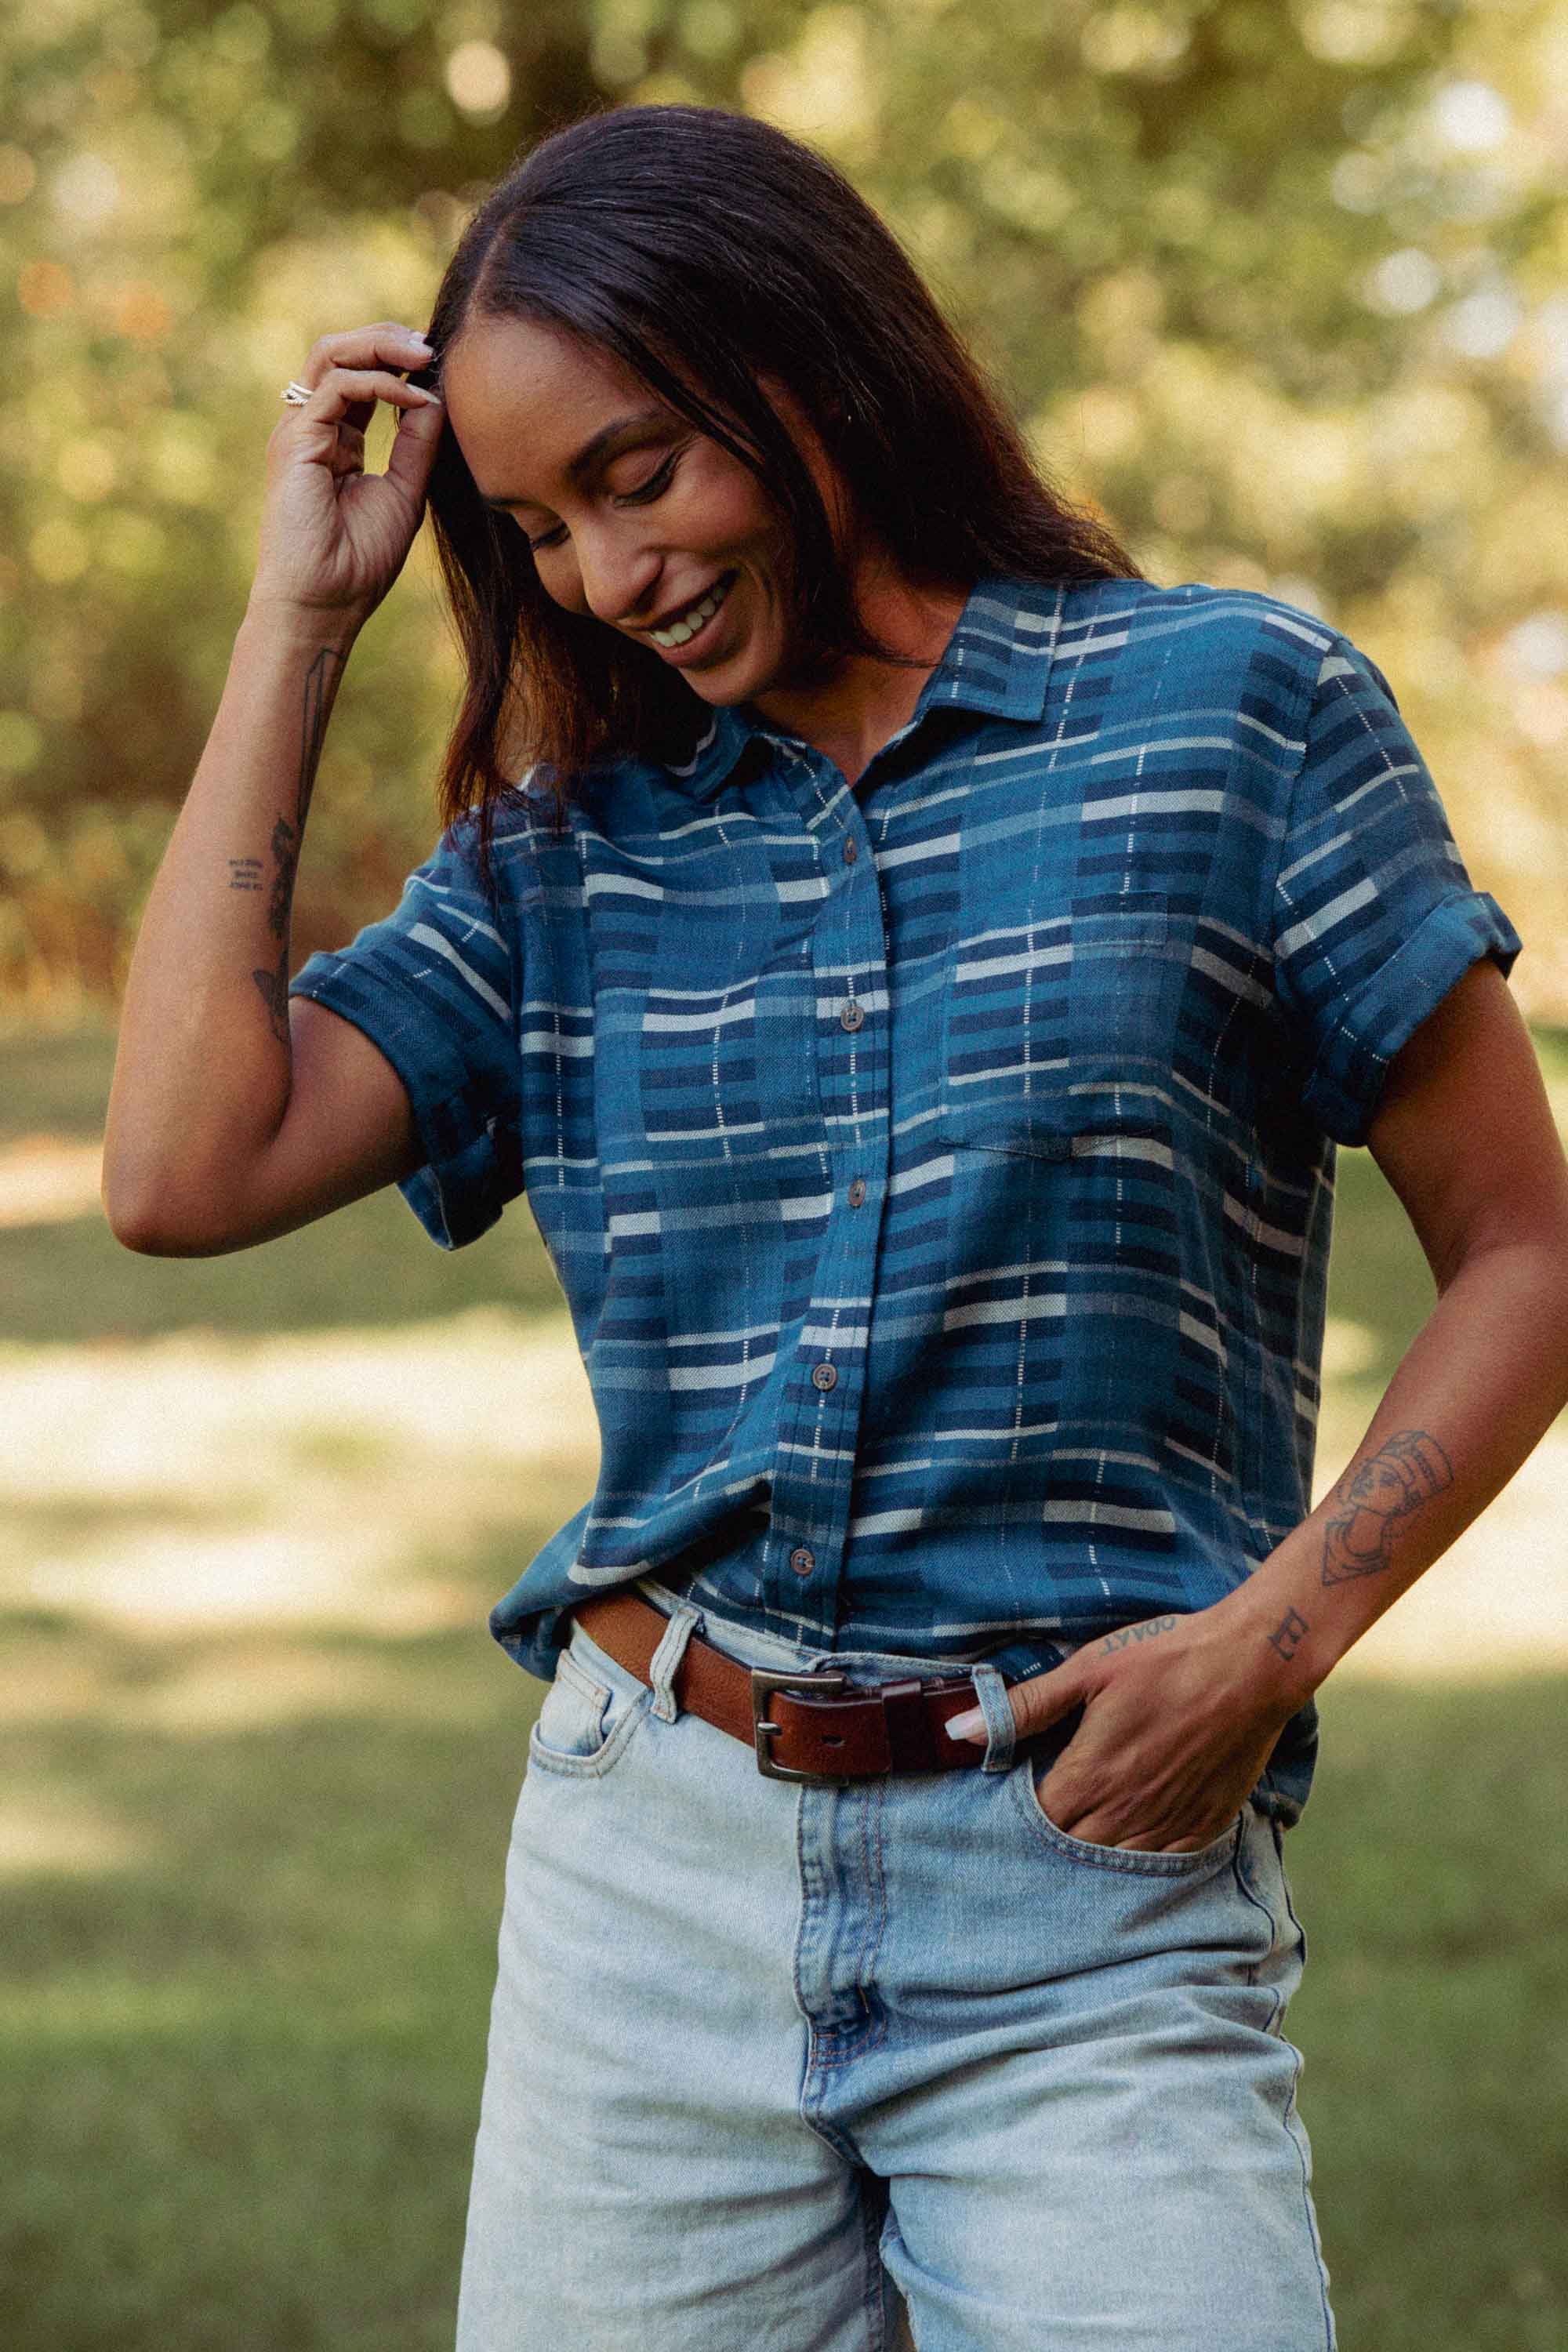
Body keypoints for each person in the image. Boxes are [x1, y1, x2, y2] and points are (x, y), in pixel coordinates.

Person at [102, 101, 1568, 2352]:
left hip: (1089, 1893)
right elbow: (178, 1172)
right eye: (536, 530)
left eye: (638, 475)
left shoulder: (1236, 720)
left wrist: (1276, 1638)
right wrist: (299, 620)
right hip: (647, 1882)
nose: (605, 577)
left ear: (803, 363)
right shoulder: (567, 851)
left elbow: (1526, 1250)